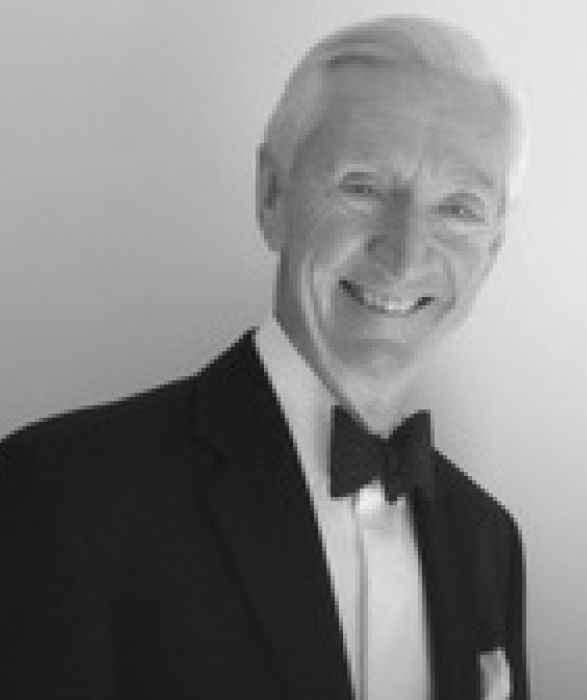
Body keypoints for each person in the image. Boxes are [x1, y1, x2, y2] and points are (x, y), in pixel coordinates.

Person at [0, 15, 529, 700]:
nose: (404, 254)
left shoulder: (488, 541)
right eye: (363, 186)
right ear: (272, 196)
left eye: (458, 208)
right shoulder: (64, 493)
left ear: (492, 251)